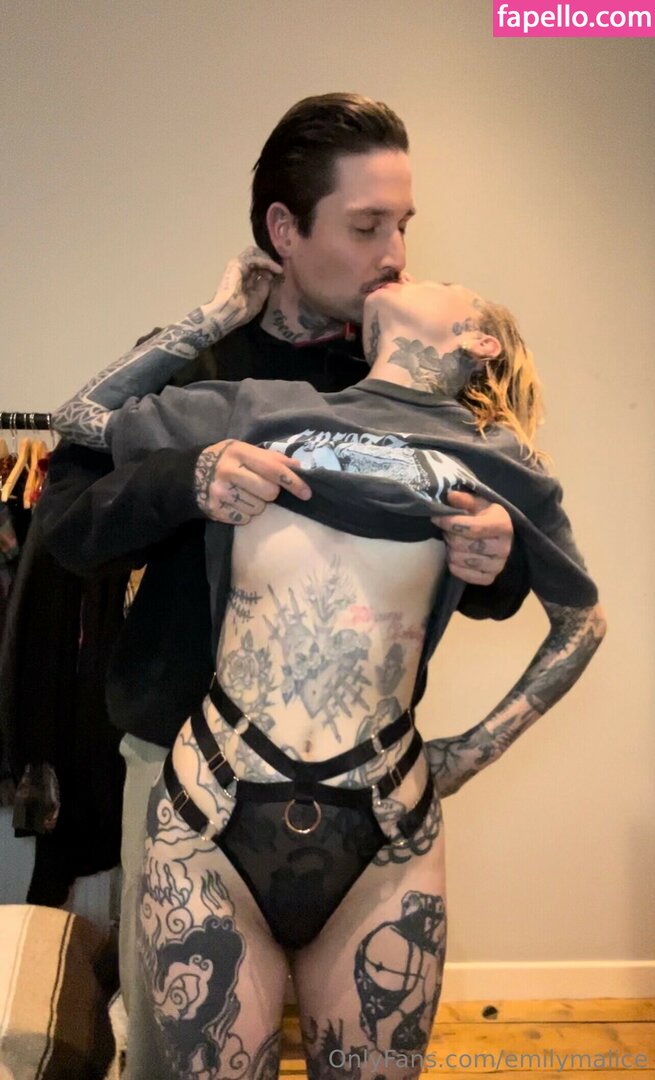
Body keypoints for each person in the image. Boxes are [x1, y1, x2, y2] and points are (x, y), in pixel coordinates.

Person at [39, 94, 528, 1076]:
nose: (395, 254)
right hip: (184, 777)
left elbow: (489, 583)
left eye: (404, 225)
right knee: (177, 1059)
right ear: (283, 229)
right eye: (366, 226)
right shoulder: (195, 364)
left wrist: (497, 551)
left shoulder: (414, 371)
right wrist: (188, 480)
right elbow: (67, 529)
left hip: (361, 795)